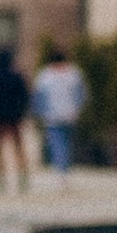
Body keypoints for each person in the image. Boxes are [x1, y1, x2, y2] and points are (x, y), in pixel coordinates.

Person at [0, 43, 32, 194]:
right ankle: (22, 176)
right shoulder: (17, 76)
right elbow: (24, 97)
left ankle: (1, 178)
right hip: (14, 117)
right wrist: (23, 114)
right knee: (18, 147)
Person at [33, 40, 87, 183]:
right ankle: (65, 168)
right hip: (70, 114)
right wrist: (78, 109)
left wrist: (39, 113)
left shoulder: (45, 75)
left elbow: (39, 97)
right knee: (66, 143)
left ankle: (61, 169)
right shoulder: (74, 73)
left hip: (53, 116)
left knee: (58, 144)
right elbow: (81, 94)